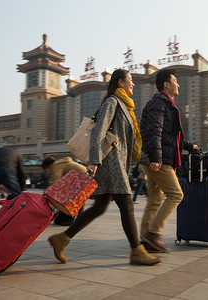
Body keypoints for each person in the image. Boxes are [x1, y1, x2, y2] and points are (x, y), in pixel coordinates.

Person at [48, 69, 161, 266]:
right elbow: (98, 131)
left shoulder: (126, 107)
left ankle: (62, 238)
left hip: (117, 163)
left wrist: (148, 160)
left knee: (99, 207)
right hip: (110, 163)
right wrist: (94, 160)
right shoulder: (112, 102)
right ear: (120, 83)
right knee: (127, 205)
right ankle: (137, 251)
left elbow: (130, 143)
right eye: (130, 81)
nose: (133, 84)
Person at [139, 69, 200, 253]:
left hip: (156, 157)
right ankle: (153, 233)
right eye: (175, 81)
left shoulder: (166, 103)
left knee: (154, 200)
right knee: (176, 195)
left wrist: (189, 146)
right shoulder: (159, 102)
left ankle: (145, 239)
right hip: (159, 159)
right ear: (166, 84)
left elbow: (172, 136)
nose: (178, 84)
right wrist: (157, 158)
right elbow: (155, 131)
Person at [41, 156, 87, 226]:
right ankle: (80, 220)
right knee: (77, 200)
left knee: (68, 199)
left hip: (81, 177)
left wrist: (46, 193)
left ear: (48, 165)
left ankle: (67, 220)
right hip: (85, 176)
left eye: (46, 169)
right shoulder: (62, 163)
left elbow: (54, 180)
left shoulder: (56, 165)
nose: (48, 171)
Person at [0, 147, 25, 216]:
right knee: (17, 194)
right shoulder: (18, 155)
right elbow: (21, 172)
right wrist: (21, 188)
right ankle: (13, 216)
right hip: (6, 170)